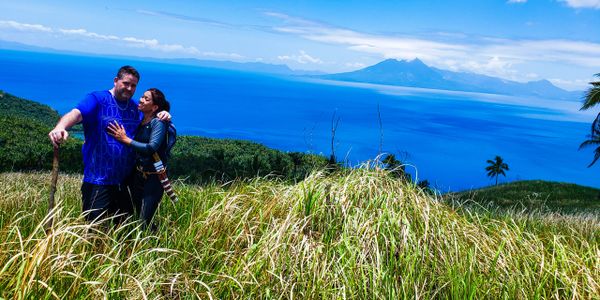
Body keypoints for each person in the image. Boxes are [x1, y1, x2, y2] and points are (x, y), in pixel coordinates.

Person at [48, 66, 170, 222]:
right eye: (126, 83)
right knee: (94, 230)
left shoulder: (135, 108)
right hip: (99, 181)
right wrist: (60, 127)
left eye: (133, 86)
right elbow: (76, 113)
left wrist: (164, 112)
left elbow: (150, 120)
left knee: (123, 232)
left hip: (126, 183)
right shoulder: (97, 99)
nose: (129, 88)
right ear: (116, 80)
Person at [106, 88, 171, 230]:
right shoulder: (141, 120)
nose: (141, 99)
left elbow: (151, 148)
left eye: (146, 99)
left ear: (154, 107)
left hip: (153, 179)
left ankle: (152, 247)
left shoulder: (157, 122)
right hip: (138, 176)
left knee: (144, 221)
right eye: (142, 96)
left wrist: (125, 139)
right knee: (134, 215)